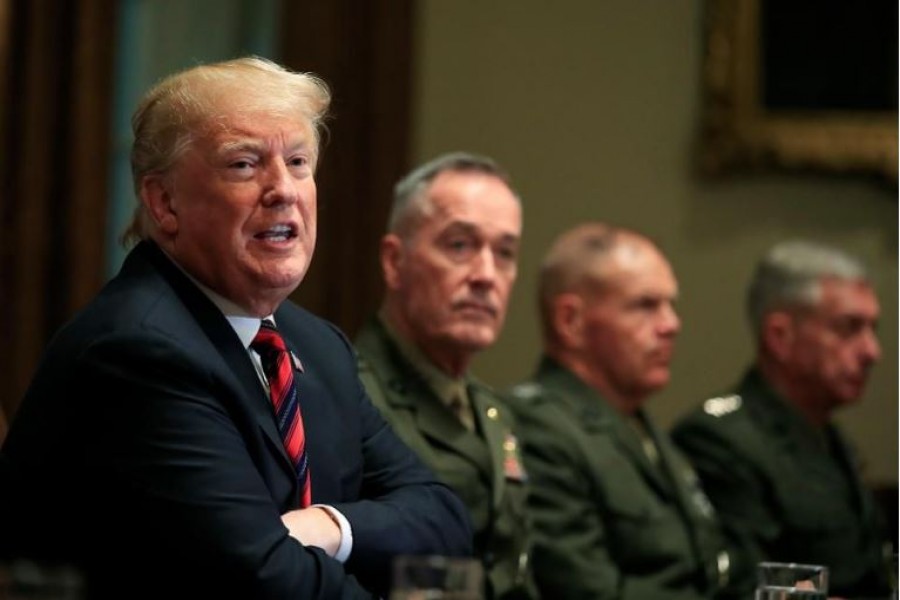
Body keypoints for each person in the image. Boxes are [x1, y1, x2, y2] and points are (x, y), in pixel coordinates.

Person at [0, 57, 471, 600]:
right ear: (165, 202)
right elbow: (264, 579)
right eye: (245, 165)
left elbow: (444, 519)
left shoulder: (318, 347)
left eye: (297, 162)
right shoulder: (139, 351)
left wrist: (326, 527)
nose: (283, 190)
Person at [507, 222, 739, 599]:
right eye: (645, 305)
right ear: (571, 321)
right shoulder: (539, 429)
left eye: (670, 305)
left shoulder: (640, 426)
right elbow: (585, 592)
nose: (671, 325)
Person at [353, 152, 538, 599]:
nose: (486, 275)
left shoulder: (491, 410)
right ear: (395, 262)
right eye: (459, 245)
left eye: (506, 253)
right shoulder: (348, 394)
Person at [672, 239, 892, 599]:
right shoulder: (720, 440)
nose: (872, 351)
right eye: (849, 328)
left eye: (872, 329)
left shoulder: (828, 435)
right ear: (780, 336)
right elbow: (742, 583)